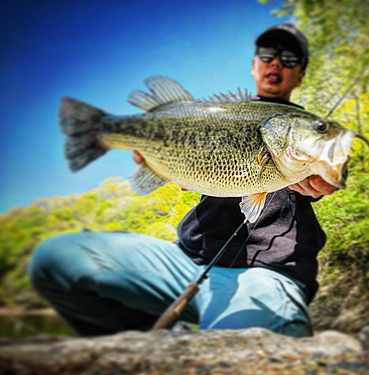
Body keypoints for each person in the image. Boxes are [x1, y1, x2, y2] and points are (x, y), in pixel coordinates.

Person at [29, 23, 340, 338]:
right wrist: (166, 162)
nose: (276, 63)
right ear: (254, 65)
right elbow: (191, 173)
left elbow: (327, 174)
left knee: (240, 356)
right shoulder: (220, 113)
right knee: (55, 259)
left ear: (300, 75)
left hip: (266, 274)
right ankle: (145, 343)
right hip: (185, 262)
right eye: (268, 54)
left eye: (289, 58)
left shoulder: (307, 133)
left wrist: (327, 173)